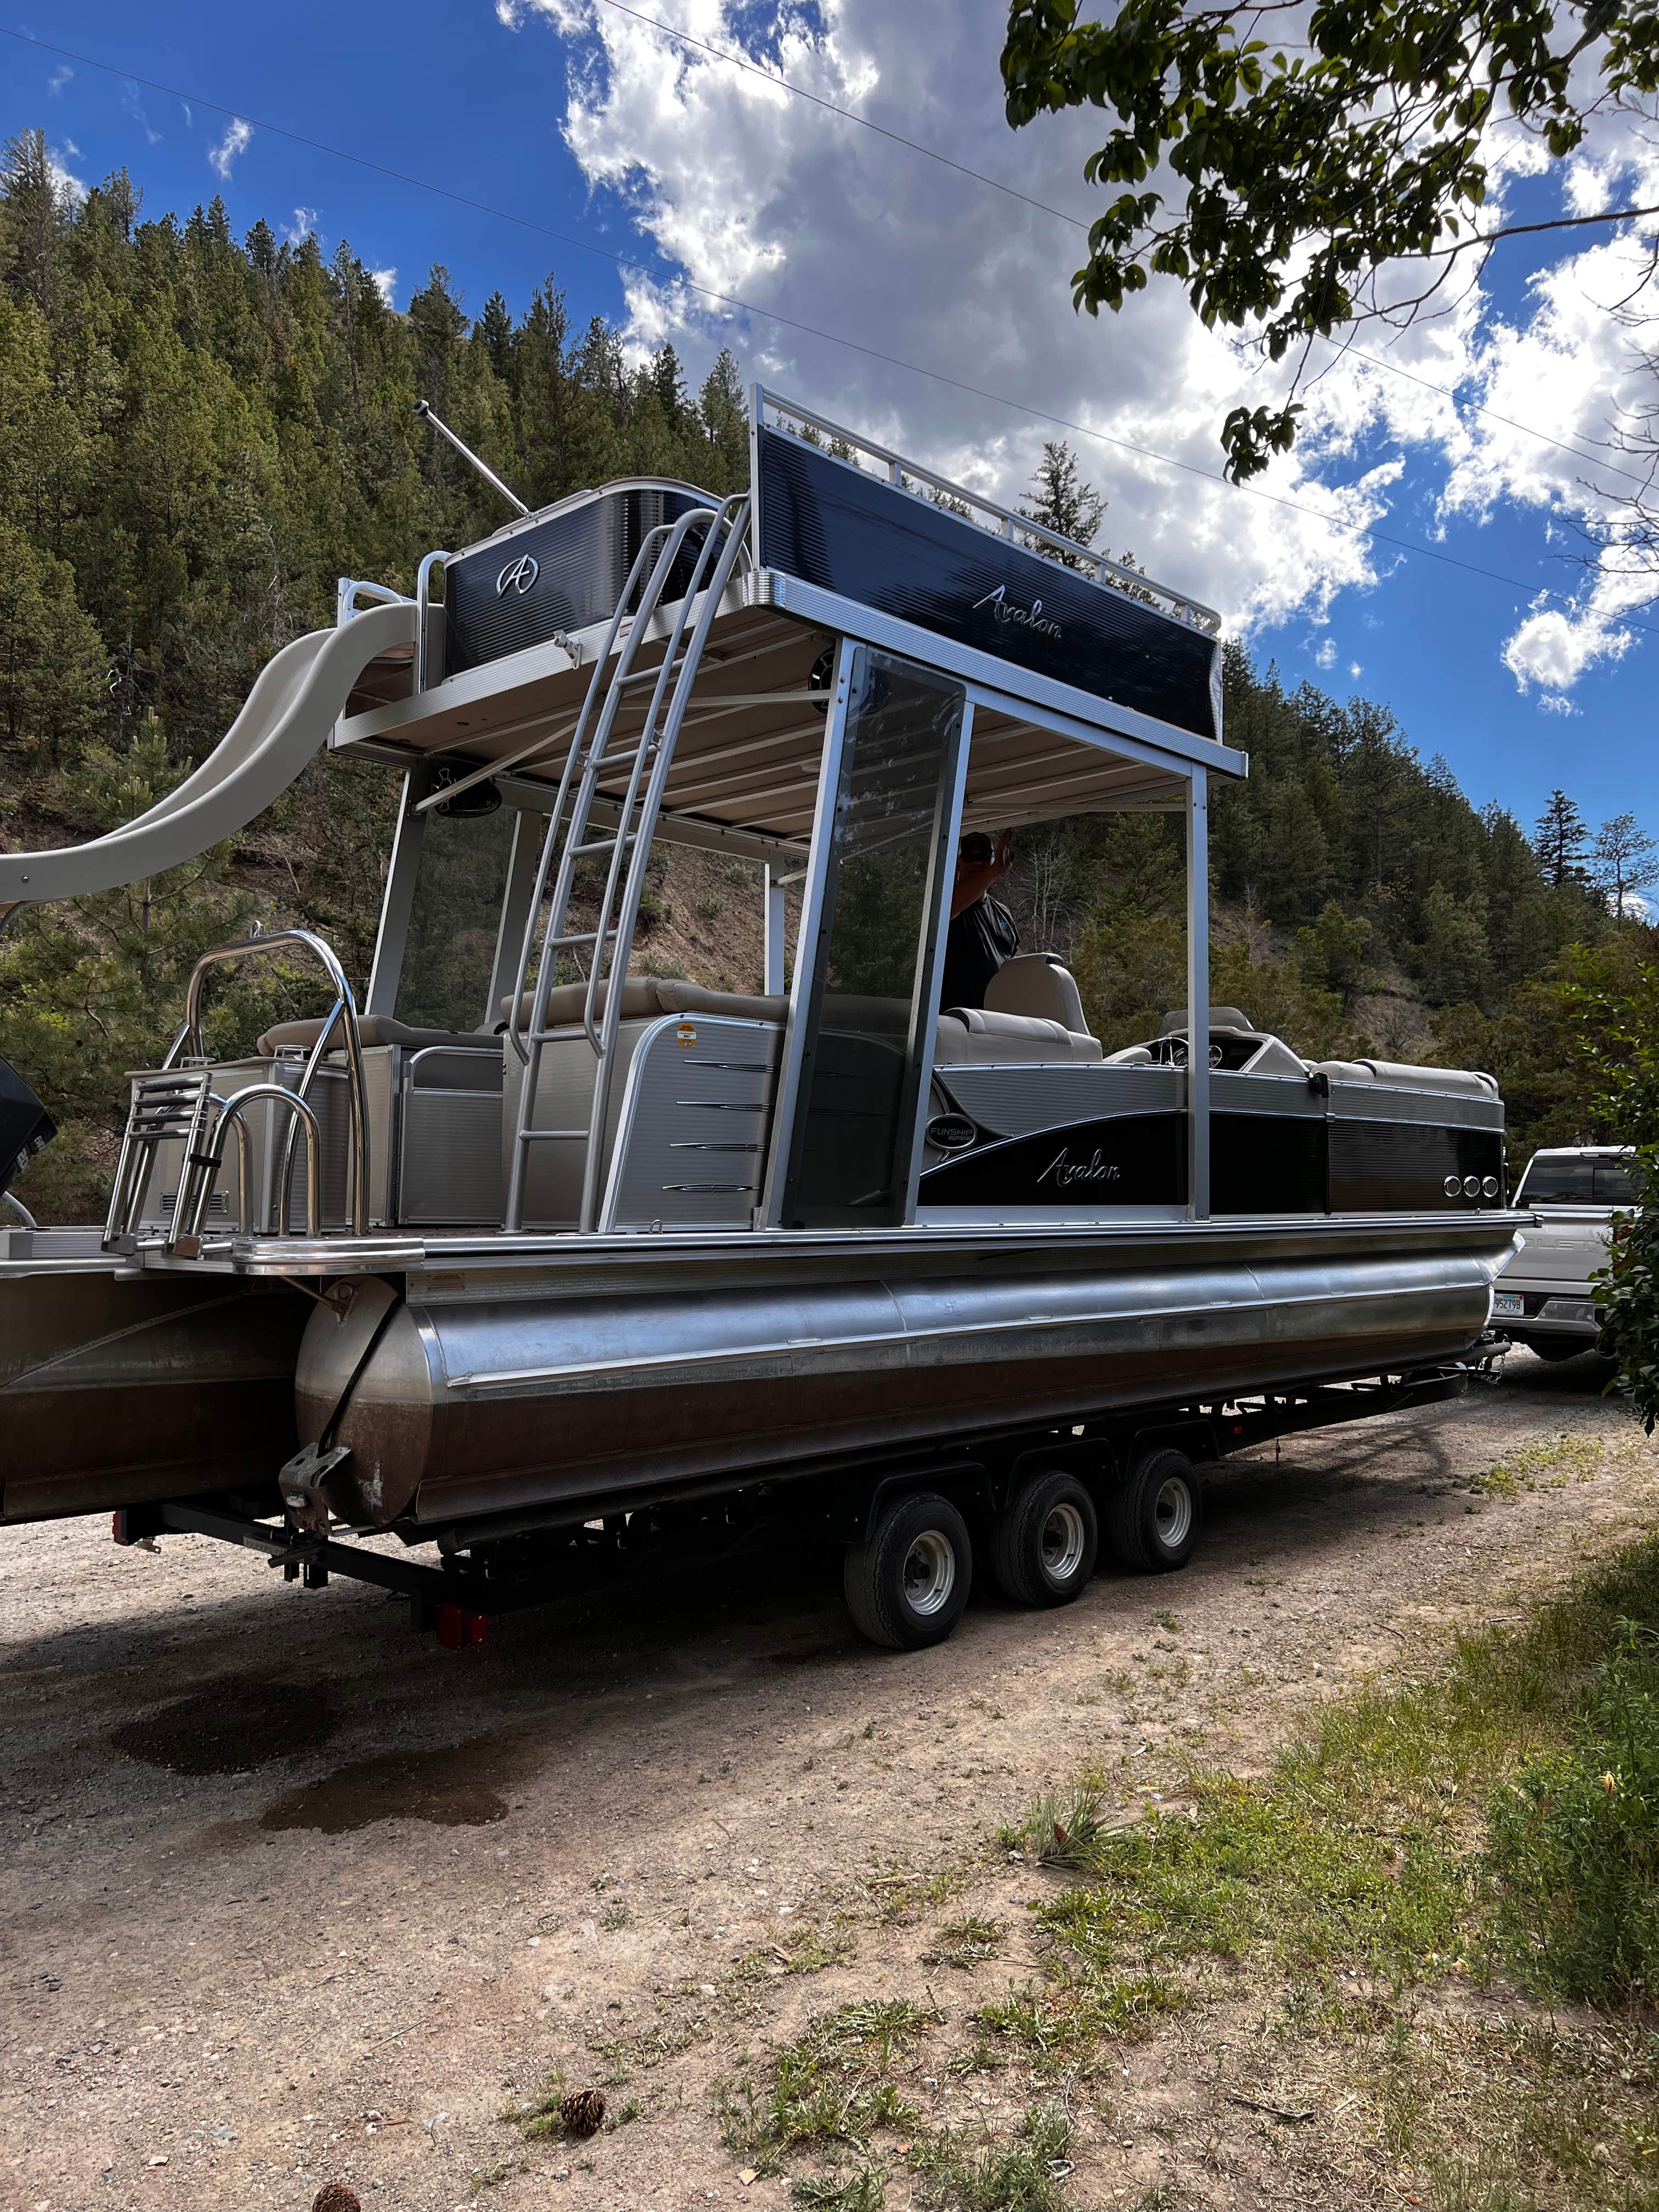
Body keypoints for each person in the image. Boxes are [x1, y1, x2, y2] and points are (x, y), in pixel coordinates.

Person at [940, 830, 1018, 1010]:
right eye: (969, 856)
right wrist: (995, 872)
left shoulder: (1003, 913)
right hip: (954, 1021)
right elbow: (948, 908)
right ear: (958, 863)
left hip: (994, 1021)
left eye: (984, 856)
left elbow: (1011, 964)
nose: (977, 862)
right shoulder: (947, 902)